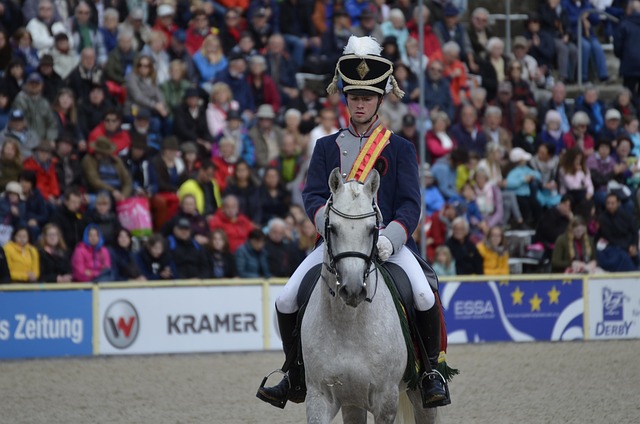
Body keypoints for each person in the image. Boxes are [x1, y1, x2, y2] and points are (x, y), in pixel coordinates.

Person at [258, 36, 449, 409]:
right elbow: (313, 195)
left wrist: (391, 240)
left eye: (367, 97)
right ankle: (294, 374)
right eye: (353, 97)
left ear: (379, 99)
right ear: (345, 98)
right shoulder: (326, 146)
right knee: (285, 299)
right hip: (336, 244)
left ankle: (430, 374)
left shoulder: (400, 148)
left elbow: (410, 203)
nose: (359, 104)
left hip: (386, 246)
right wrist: (325, 225)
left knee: (424, 295)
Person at [596, 193, 639, 271]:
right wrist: (627, 248)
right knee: (624, 258)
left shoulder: (627, 215)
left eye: (612, 203)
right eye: (608, 203)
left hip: (629, 245)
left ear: (618, 203)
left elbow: (634, 232)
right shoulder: (602, 218)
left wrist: (634, 245)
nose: (610, 206)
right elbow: (610, 238)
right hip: (613, 247)